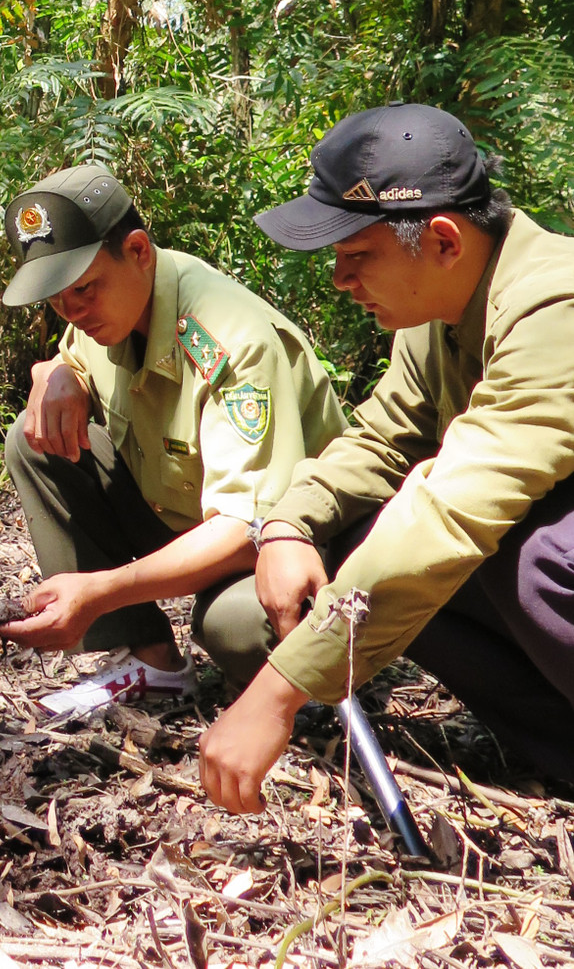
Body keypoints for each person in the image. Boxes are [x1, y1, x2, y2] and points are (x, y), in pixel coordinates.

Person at [201, 103, 574, 812]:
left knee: (527, 552)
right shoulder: (443, 310)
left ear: (440, 240)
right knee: (360, 531)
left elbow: (450, 514)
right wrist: (289, 523)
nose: (341, 279)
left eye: (357, 254)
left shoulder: (555, 303)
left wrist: (279, 690)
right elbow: (380, 441)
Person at [0, 164, 346, 702]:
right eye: (56, 296)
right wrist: (57, 372)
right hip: (181, 515)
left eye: (83, 289)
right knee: (32, 437)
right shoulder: (106, 310)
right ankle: (150, 662)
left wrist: (100, 591)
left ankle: (303, 682)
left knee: (235, 625)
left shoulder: (228, 338)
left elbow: (247, 526)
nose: (71, 310)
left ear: (138, 251)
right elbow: (75, 356)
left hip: (288, 542)